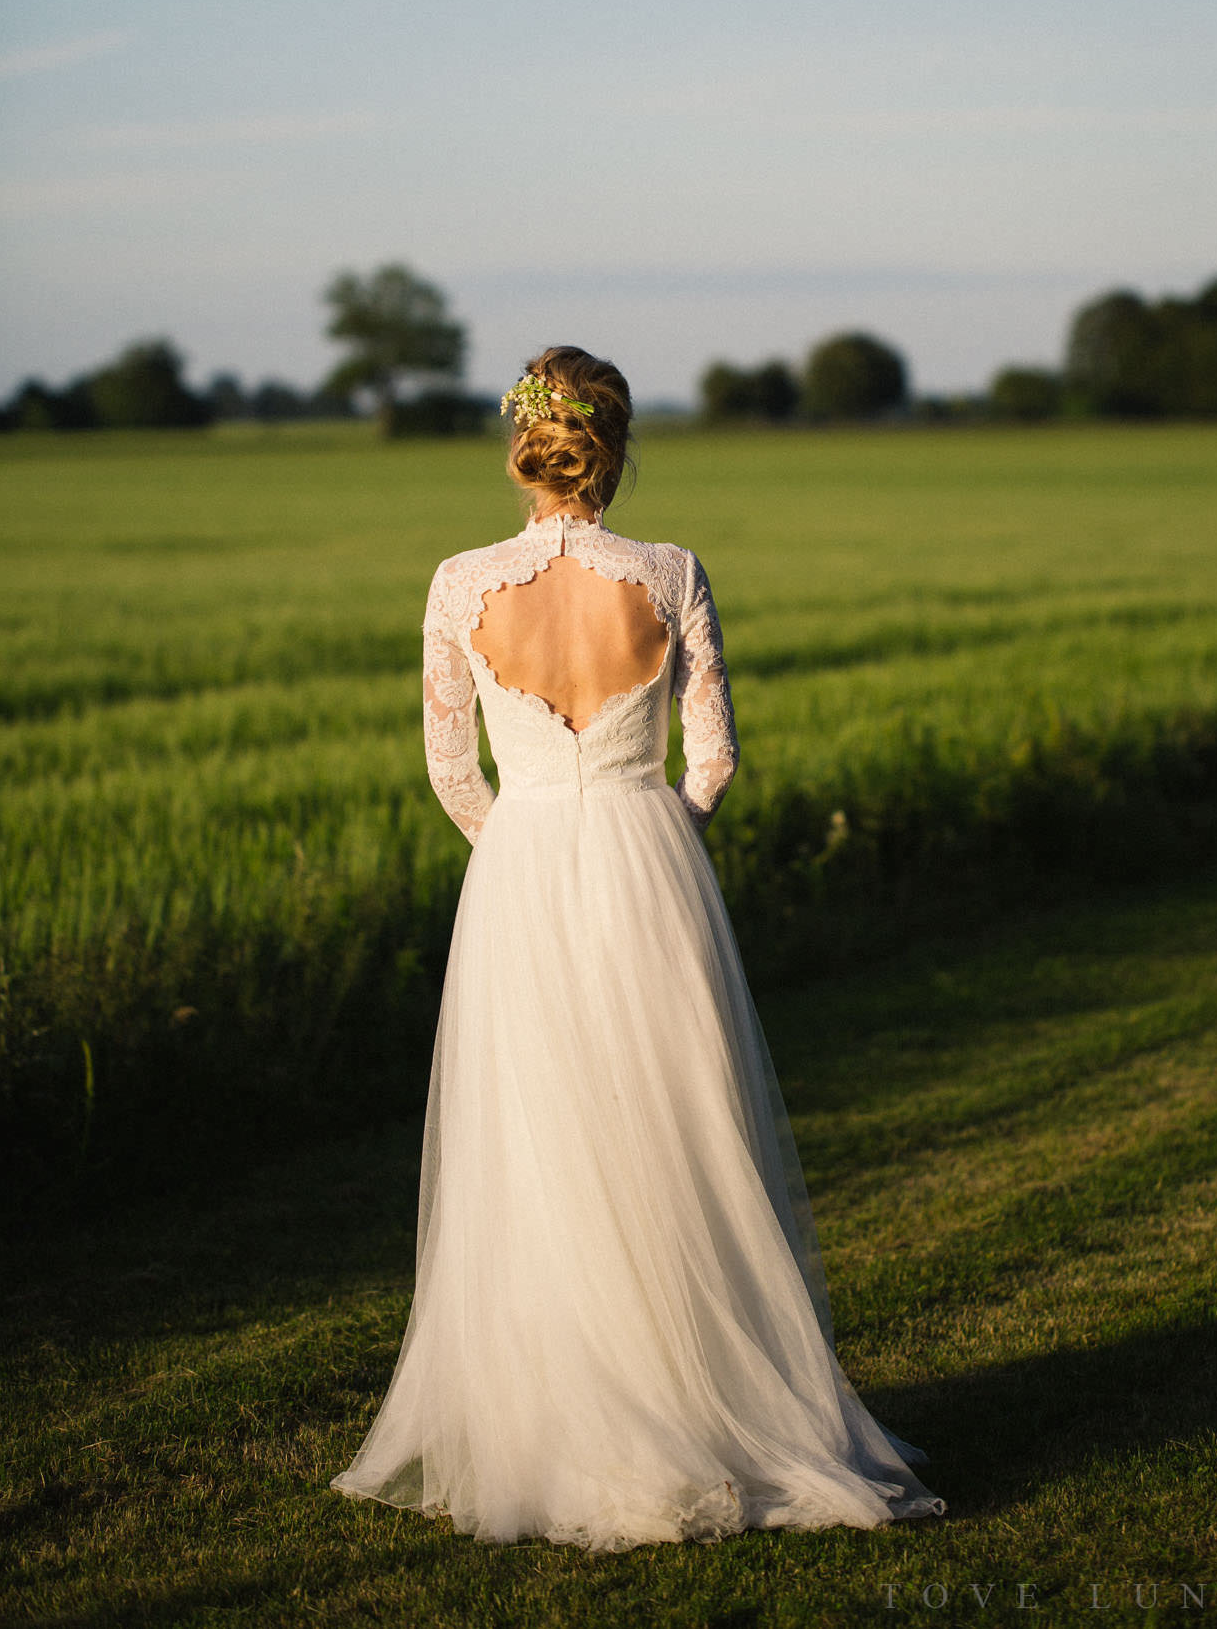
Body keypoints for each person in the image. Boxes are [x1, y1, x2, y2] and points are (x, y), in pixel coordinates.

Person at [331, 345, 946, 1551]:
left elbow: (452, 771)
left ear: (526, 449)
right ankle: (705, 1409)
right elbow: (711, 760)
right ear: (616, 443)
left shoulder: (460, 584)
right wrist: (651, 832)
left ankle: (566, 1425)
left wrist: (526, 845)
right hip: (645, 865)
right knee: (675, 1137)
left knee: (540, 1141)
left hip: (518, 872)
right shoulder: (670, 573)